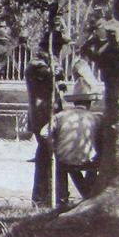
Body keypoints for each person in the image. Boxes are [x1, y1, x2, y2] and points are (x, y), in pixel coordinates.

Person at [25, 33, 68, 207]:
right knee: (46, 155)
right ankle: (43, 197)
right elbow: (51, 79)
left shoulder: (46, 65)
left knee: (48, 155)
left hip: (46, 113)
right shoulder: (37, 66)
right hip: (42, 114)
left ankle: (48, 196)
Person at [40, 94, 103, 202]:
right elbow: (102, 136)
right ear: (89, 103)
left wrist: (54, 146)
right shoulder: (95, 118)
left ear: (74, 103)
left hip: (64, 157)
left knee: (63, 166)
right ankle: (87, 195)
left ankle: (63, 198)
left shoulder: (60, 116)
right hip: (88, 159)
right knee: (92, 166)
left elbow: (43, 133)